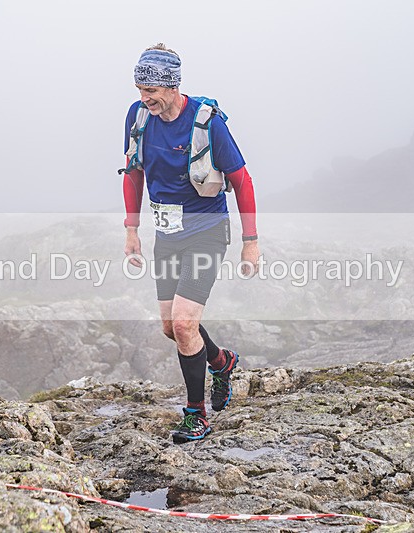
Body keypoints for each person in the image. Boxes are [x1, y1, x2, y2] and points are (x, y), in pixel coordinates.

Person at [121, 43, 260, 443]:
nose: (144, 98)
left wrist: (250, 241)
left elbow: (242, 181)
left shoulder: (207, 122)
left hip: (206, 230)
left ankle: (195, 415)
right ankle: (222, 361)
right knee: (172, 328)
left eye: (151, 90)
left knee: (184, 324)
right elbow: (133, 172)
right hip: (167, 233)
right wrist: (132, 229)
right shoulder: (139, 116)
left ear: (172, 85)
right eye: (139, 89)